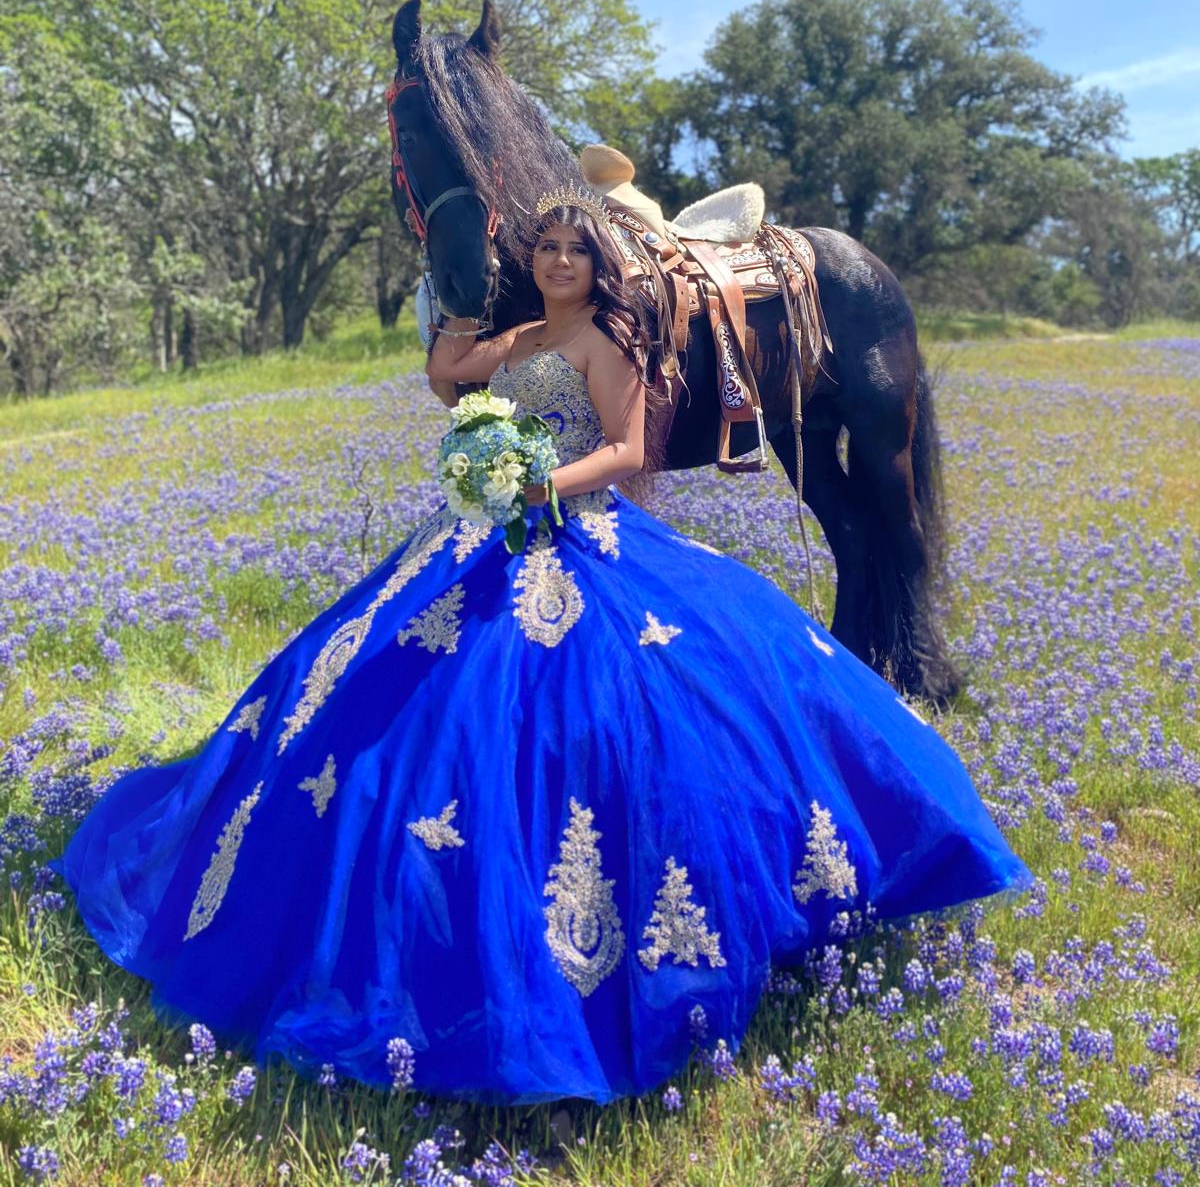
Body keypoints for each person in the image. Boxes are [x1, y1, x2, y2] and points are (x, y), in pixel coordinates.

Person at [54, 188, 1029, 1106]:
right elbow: (451, 380)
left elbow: (631, 448)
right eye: (547, 248)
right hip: (485, 534)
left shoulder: (609, 337)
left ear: (597, 260)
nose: (560, 260)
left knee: (651, 701)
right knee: (380, 690)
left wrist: (539, 483)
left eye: (574, 248)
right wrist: (451, 320)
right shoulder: (521, 332)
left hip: (577, 532)